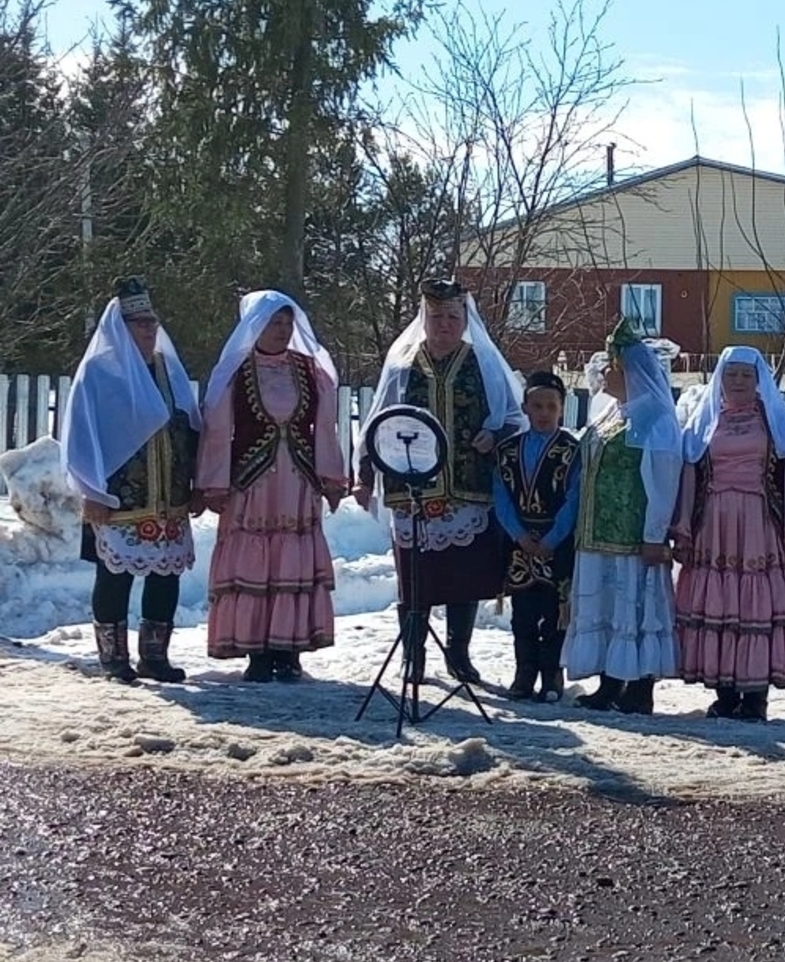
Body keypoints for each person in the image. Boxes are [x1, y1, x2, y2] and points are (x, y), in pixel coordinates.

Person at [354, 278, 527, 684]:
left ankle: (458, 654)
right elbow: (377, 421)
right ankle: (412, 656)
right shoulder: (401, 366)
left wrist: (495, 436)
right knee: (415, 577)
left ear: (465, 319)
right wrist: (365, 475)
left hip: (467, 488)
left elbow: (515, 420)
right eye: (436, 317)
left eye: (452, 316)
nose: (444, 325)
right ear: (424, 319)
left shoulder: (483, 364)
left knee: (461, 577)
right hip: (411, 488)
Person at [196, 291, 345, 682]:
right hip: (252, 483)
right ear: (253, 325)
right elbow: (216, 430)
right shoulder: (236, 370)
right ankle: (256, 651)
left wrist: (331, 476)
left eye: (286, 324)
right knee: (255, 559)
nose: (281, 331)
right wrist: (214, 482)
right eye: (272, 323)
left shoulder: (309, 370)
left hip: (296, 481)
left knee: (292, 559)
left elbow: (325, 428)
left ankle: (289, 648)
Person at [61, 277, 203, 684]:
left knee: (166, 574)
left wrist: (195, 483)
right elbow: (82, 437)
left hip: (169, 495)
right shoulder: (99, 375)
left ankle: (154, 657)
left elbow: (190, 427)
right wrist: (90, 491)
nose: (148, 329)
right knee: (114, 576)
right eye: (139, 323)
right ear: (119, 329)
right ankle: (113, 658)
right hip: (117, 496)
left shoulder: (169, 371)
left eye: (151, 322)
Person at [672, 345, 785, 722]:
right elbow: (690, 475)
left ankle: (755, 697)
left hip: (758, 522)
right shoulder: (704, 422)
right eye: (731, 374)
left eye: (745, 375)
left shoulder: (775, 423)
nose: (737, 381)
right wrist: (683, 528)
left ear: (757, 381)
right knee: (720, 602)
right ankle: (725, 693)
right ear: (720, 378)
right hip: (714, 524)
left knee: (754, 604)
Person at [564, 320, 682, 714]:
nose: (605, 373)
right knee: (608, 607)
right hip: (598, 531)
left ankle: (640, 686)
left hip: (633, 536)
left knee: (635, 607)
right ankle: (610, 682)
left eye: (612, 366)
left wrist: (654, 533)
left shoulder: (654, 418)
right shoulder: (611, 413)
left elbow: (663, 479)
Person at [492, 370, 583, 702]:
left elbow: (574, 499)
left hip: (555, 544)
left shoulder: (572, 451)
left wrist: (552, 539)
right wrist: (518, 535)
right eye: (537, 405)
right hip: (519, 544)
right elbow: (500, 497)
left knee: (556, 613)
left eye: (551, 406)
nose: (544, 413)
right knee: (523, 614)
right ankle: (523, 673)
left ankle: (551, 675)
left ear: (562, 409)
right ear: (525, 407)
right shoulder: (508, 451)